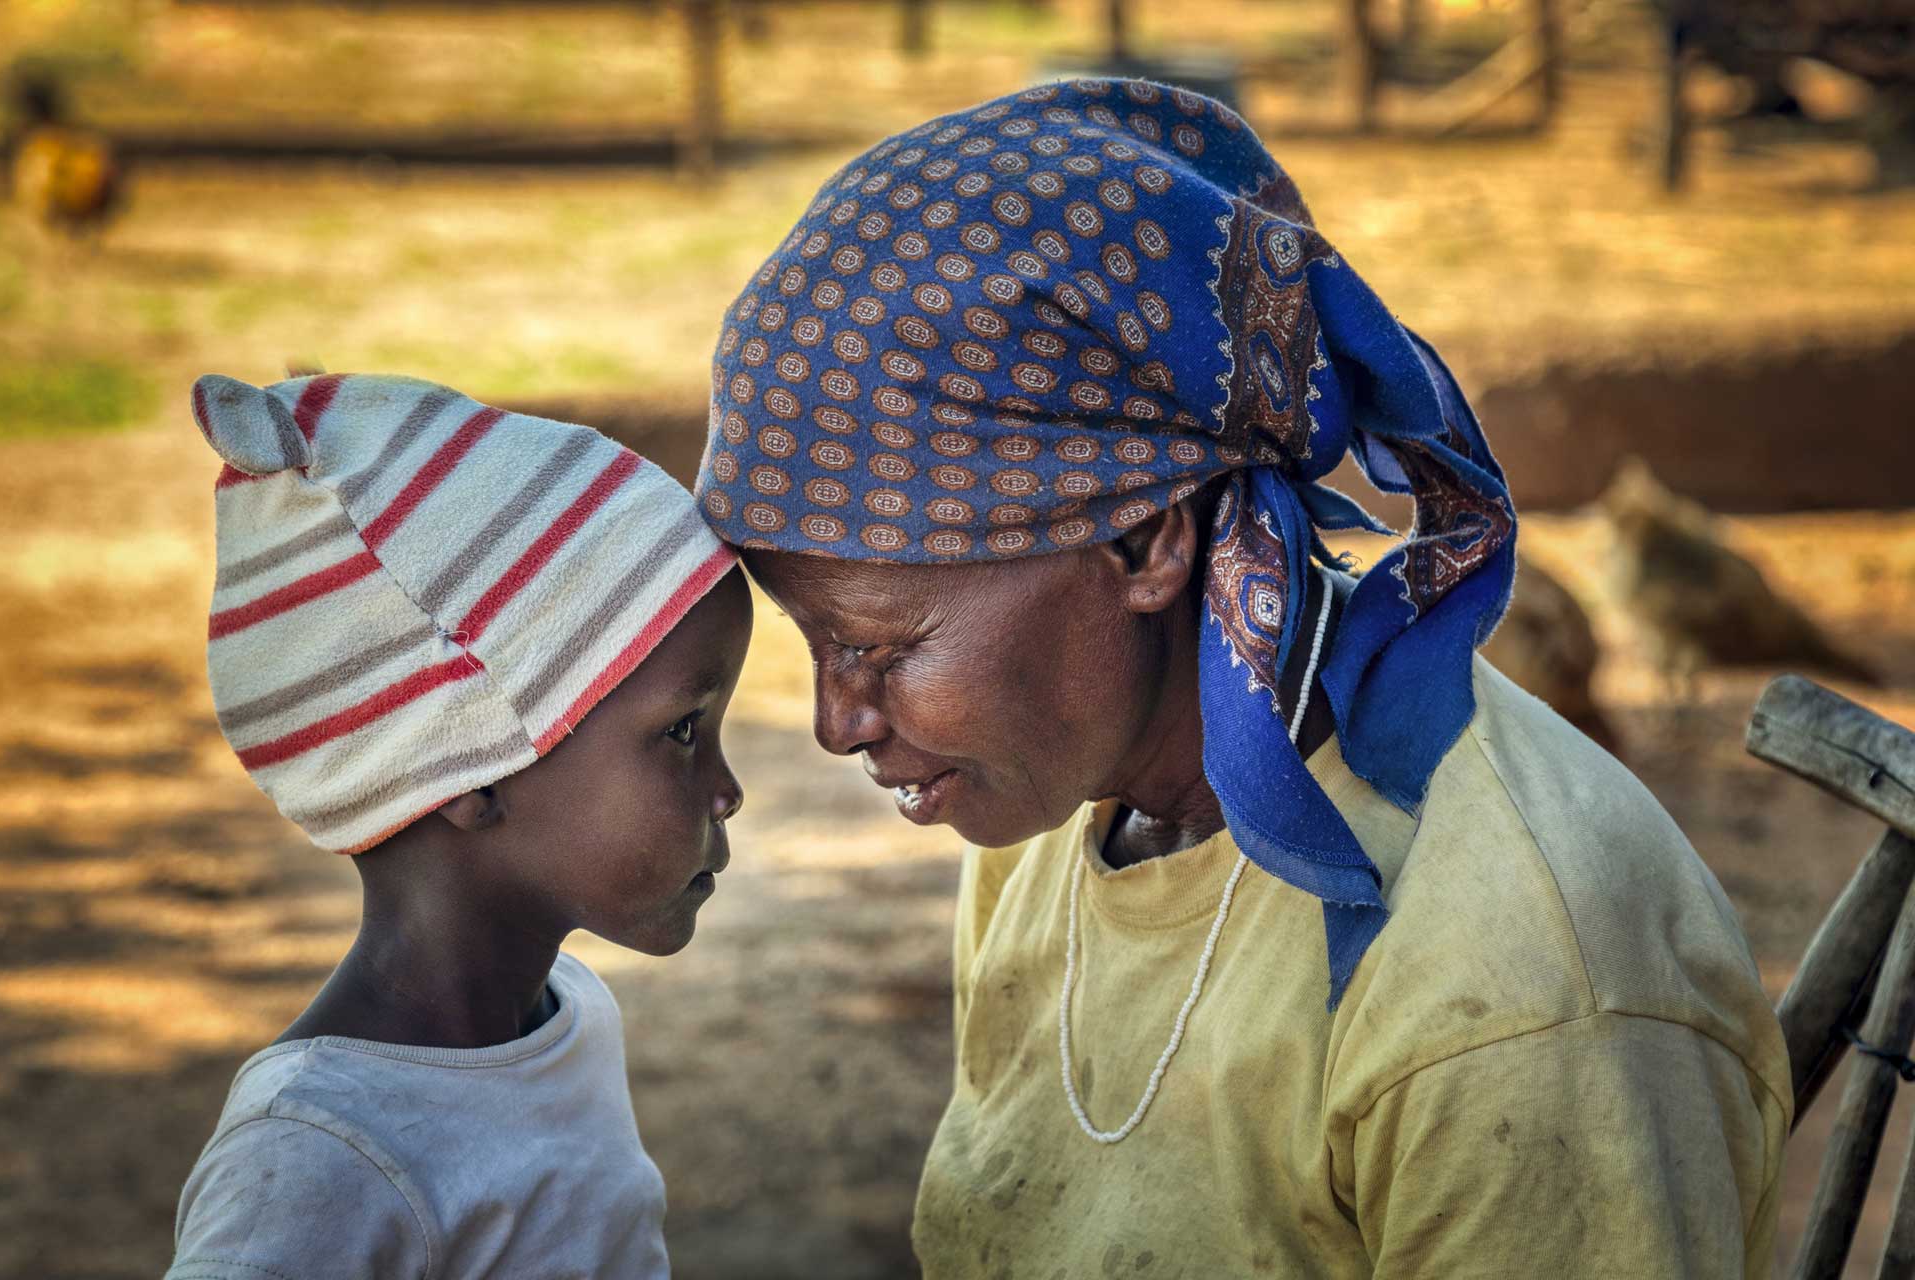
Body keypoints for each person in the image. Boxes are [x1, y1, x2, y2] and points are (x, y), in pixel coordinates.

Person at [696, 80, 1791, 1276]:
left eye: (881, 645)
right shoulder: (1048, 820)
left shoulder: (1522, 988)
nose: (834, 722)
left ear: (1144, 542)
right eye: (813, 643)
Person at [166, 371, 747, 1279]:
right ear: (468, 767)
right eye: (682, 732)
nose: (729, 789)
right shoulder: (315, 1159)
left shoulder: (568, 1018)